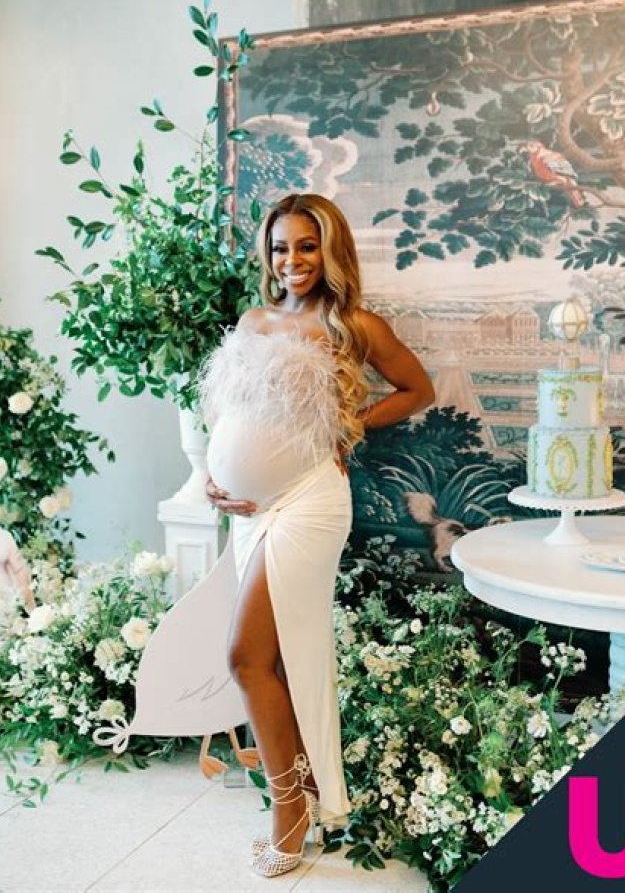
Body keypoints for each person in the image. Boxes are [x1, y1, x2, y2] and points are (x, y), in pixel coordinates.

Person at [200, 193, 434, 878]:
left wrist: (351, 424)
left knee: (247, 656)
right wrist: (216, 473)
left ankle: (291, 815)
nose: (292, 260)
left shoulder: (353, 325)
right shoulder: (255, 320)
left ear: (330, 252)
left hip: (309, 502)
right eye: (281, 248)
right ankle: (298, 801)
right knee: (269, 661)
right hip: (252, 510)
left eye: (307, 246)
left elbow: (416, 389)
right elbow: (234, 410)